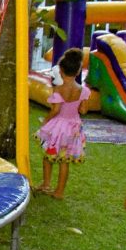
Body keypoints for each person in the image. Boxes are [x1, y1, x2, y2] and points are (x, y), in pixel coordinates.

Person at [34, 48, 90, 200]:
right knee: (64, 161)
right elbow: (83, 110)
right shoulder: (83, 90)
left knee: (48, 156)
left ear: (61, 70)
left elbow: (56, 110)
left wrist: (46, 119)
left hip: (58, 128)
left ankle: (46, 184)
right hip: (73, 129)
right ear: (78, 71)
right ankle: (59, 192)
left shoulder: (58, 89)